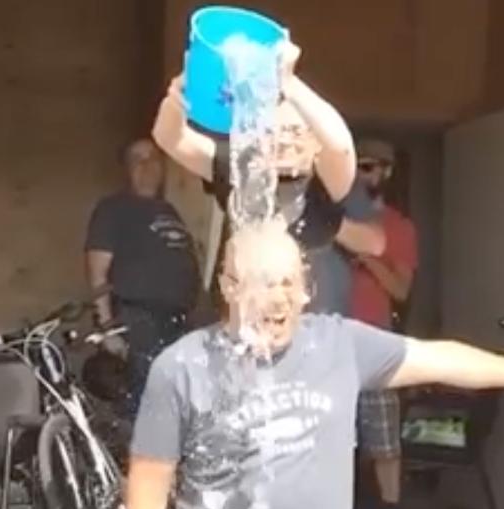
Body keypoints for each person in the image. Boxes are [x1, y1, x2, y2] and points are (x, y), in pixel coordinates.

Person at [126, 220, 504, 509]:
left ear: (305, 289)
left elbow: (438, 358)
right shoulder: (183, 367)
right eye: (262, 283)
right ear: (229, 288)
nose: (278, 299)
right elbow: (146, 499)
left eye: (288, 283)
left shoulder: (339, 345)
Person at [151, 39, 386, 315]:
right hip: (240, 325)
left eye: (297, 133)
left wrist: (288, 82)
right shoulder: (242, 170)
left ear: (315, 146)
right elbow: (170, 138)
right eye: (277, 132)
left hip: (314, 327)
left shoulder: (326, 182)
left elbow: (341, 146)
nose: (286, 140)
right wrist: (180, 93)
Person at [84, 138, 200, 411]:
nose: (147, 166)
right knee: (144, 406)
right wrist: (107, 329)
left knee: (175, 406)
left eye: (153, 158)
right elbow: (96, 273)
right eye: (138, 159)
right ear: (127, 168)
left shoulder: (169, 210)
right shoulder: (113, 209)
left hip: (177, 323)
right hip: (137, 322)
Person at [348, 138, 420, 509]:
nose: (362, 173)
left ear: (387, 173)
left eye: (372, 166)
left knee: (385, 442)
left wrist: (366, 258)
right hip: (331, 339)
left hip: (377, 340)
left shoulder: (400, 227)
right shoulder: (331, 219)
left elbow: (401, 290)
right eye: (357, 164)